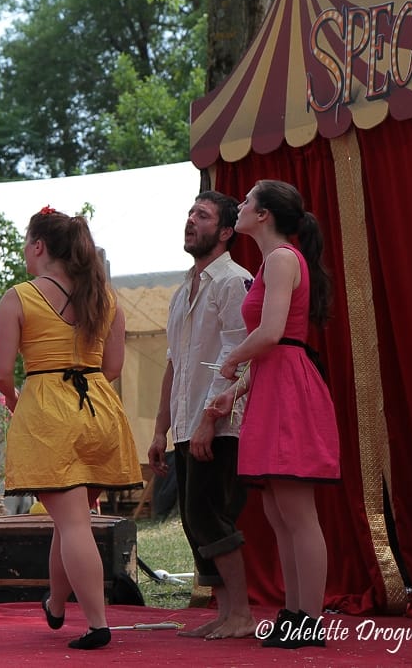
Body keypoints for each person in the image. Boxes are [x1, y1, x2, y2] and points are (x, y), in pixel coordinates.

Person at [0, 206, 143, 650]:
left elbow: (2, 373)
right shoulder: (104, 297)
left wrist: (15, 401)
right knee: (68, 521)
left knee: (74, 523)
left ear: (38, 246)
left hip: (49, 410)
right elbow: (113, 367)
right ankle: (56, 604)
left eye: (26, 244)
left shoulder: (19, 297)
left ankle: (98, 624)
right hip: (98, 410)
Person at [210, 179, 340, 650]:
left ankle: (310, 618)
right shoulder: (275, 261)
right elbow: (275, 341)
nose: (239, 207)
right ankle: (294, 612)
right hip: (272, 383)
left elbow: (272, 333)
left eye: (246, 202)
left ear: (263, 215)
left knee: (297, 510)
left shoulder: (283, 259)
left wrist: (231, 362)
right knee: (278, 509)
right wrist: (239, 387)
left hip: (287, 386)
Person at [148, 191, 256, 640]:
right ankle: (227, 611)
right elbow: (174, 362)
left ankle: (243, 613)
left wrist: (212, 419)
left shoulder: (234, 281)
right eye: (190, 213)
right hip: (188, 420)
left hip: (221, 422)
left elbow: (241, 355)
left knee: (210, 515)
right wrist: (160, 427)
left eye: (203, 215)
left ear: (226, 231)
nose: (191, 221)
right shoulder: (181, 290)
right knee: (194, 520)